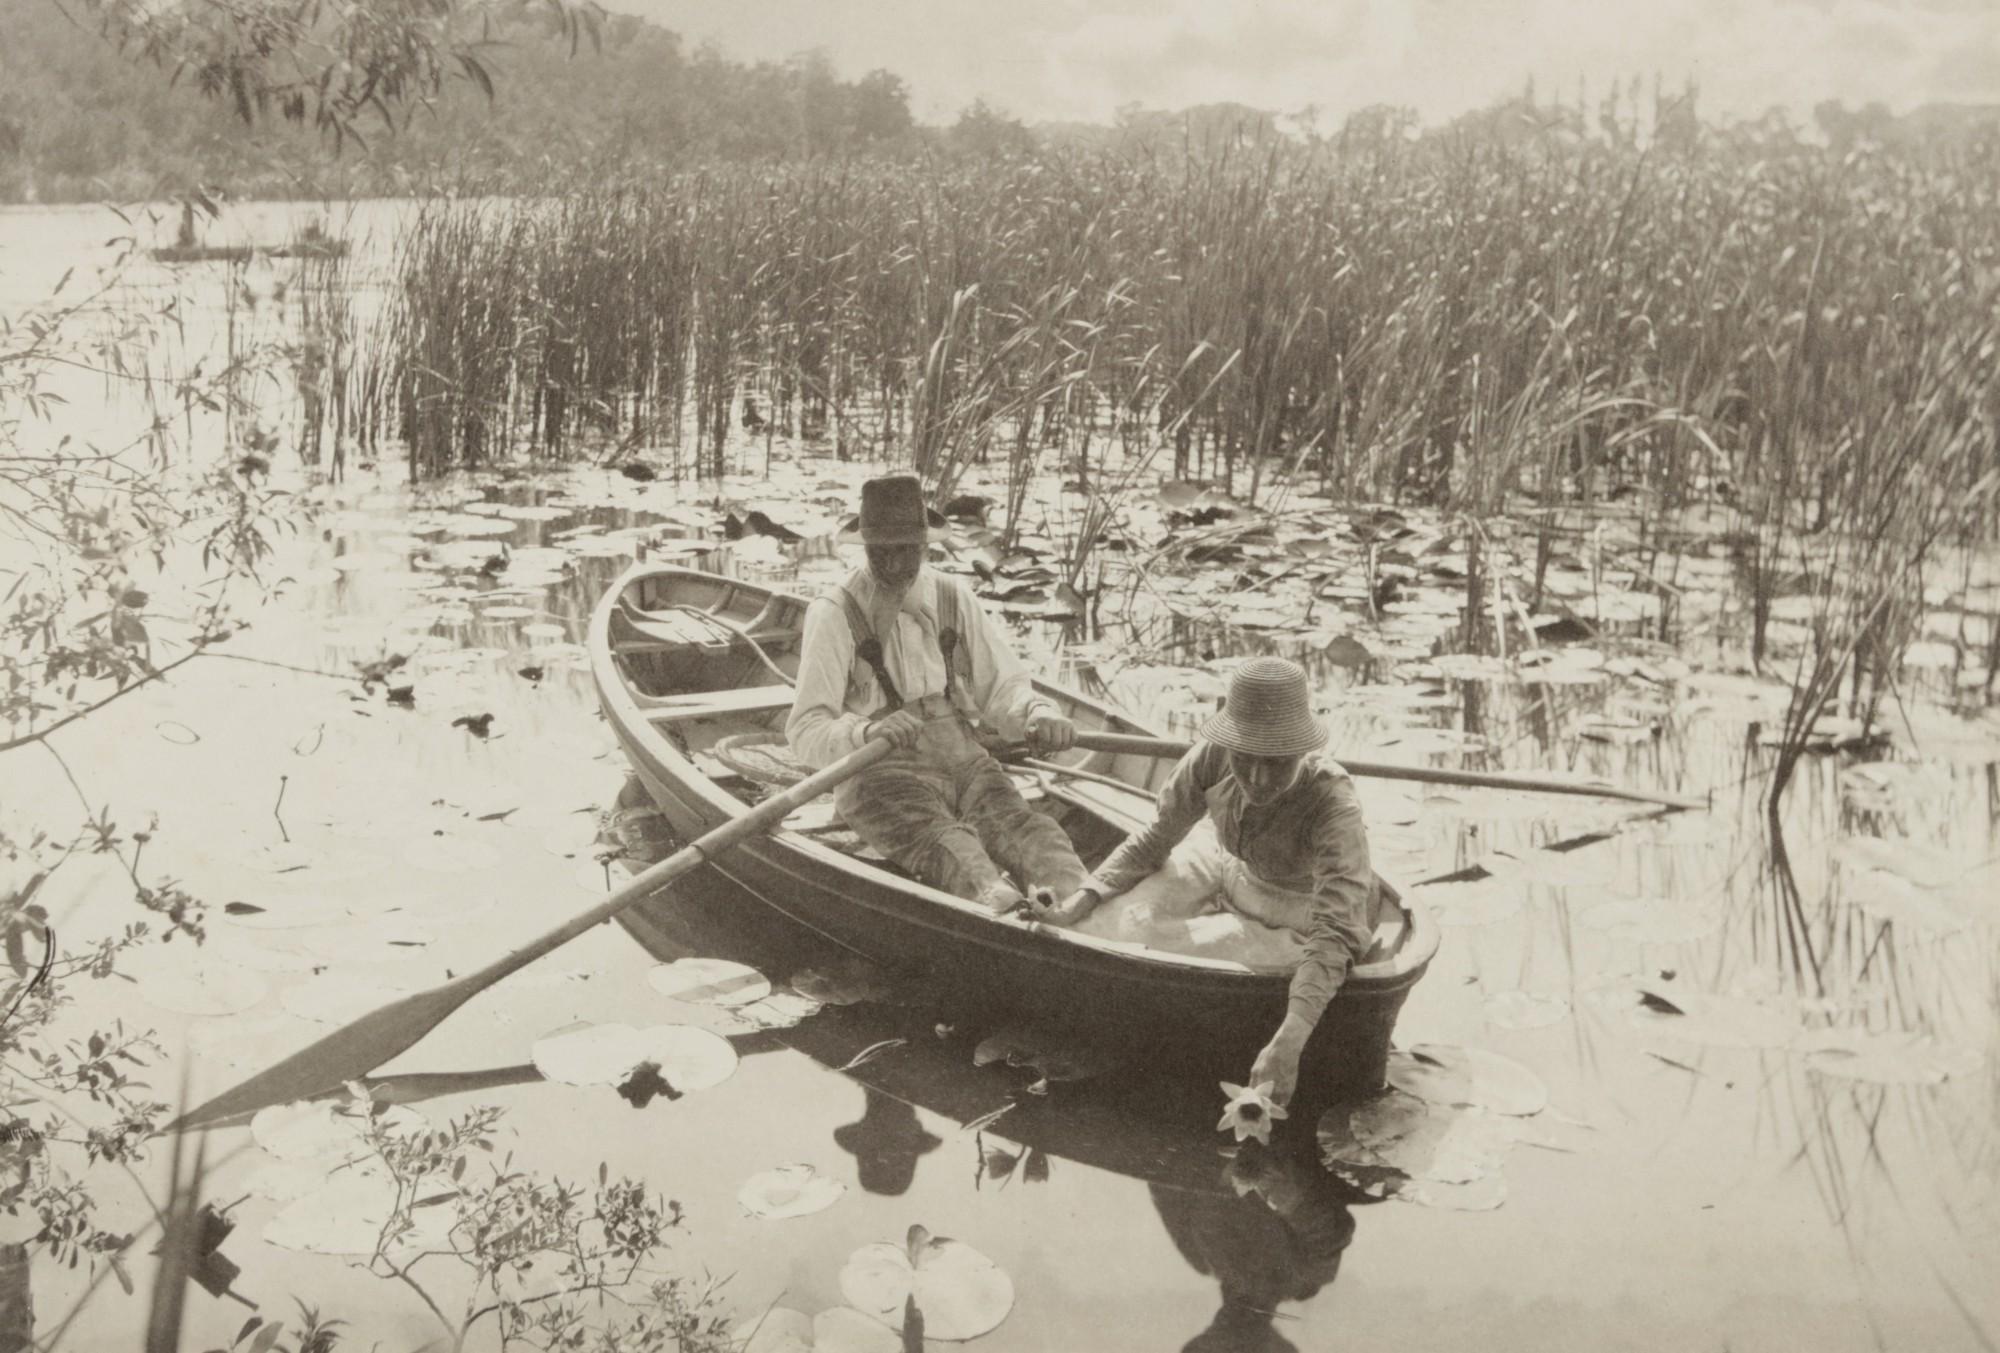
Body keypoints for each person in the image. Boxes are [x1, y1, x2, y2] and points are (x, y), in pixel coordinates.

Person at [1033, 656, 1378, 1107]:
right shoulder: (1215, 754)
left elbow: (1336, 930)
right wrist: (1082, 898)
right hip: (1225, 862)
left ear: (1300, 750)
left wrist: (1290, 1040)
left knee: (1169, 953)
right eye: (1244, 758)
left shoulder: (1333, 803)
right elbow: (1156, 837)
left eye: (1275, 763)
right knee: (1113, 924)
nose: (1256, 778)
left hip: (1296, 909)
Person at [787, 474, 1090, 914]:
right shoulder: (834, 613)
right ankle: (1007, 916)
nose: (893, 564)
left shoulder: (952, 596)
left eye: (906, 549)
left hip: (965, 760)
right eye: (881, 551)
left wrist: (1037, 712)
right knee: (952, 848)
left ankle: (1084, 910)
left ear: (926, 545)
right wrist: (866, 731)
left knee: (1032, 833)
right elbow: (805, 731)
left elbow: (1003, 686)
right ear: (864, 546)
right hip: (880, 773)